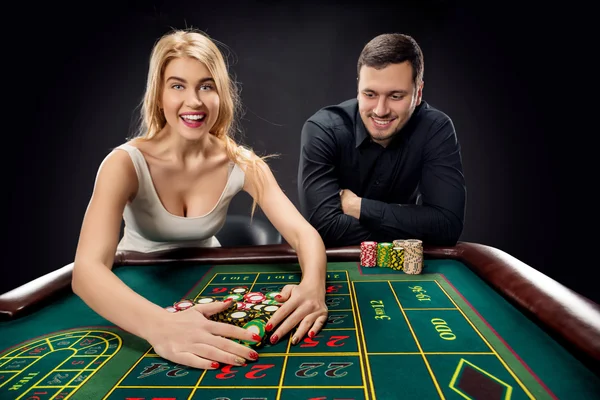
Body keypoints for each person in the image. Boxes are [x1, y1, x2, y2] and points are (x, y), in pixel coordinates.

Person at [71, 28, 328, 370]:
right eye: (178, 85)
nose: (194, 101)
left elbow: (303, 234)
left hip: (211, 288)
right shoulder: (124, 164)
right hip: (136, 290)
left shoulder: (241, 162)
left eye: (206, 86)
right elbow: (86, 272)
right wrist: (160, 327)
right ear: (159, 95)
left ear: (221, 94)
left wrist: (313, 286)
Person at [297, 33, 466, 247]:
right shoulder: (323, 130)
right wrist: (415, 227)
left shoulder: (435, 128)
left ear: (419, 92)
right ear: (358, 89)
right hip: (330, 264)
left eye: (396, 96)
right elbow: (325, 228)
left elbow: (447, 226)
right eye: (370, 94)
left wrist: (359, 207)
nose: (380, 110)